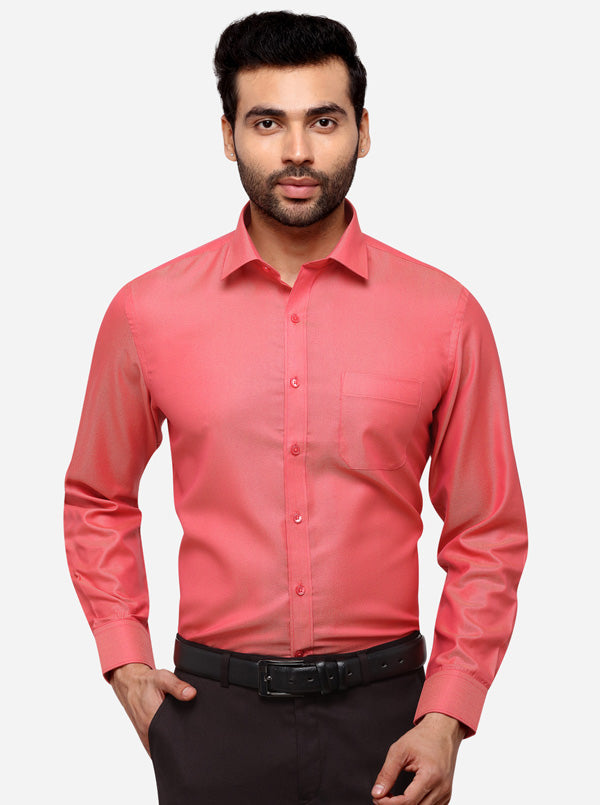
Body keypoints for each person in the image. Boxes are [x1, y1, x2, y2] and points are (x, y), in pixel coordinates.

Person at [64, 11, 527, 805]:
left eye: (324, 120)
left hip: (391, 721)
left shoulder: (446, 316)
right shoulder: (147, 313)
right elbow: (97, 499)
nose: (298, 151)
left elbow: (487, 531)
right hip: (211, 718)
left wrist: (448, 715)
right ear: (228, 135)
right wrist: (126, 665)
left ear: (364, 130)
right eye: (267, 122)